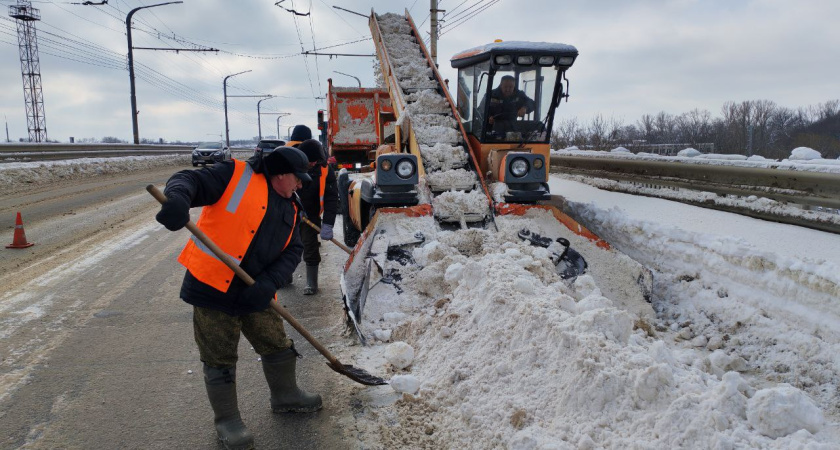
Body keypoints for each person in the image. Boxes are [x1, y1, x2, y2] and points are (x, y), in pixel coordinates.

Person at [154, 146, 322, 450]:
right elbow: (187, 180)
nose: (301, 184)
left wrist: (269, 282)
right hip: (212, 287)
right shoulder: (235, 175)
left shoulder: (291, 204)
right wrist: (177, 199)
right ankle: (227, 422)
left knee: (276, 343)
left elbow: (293, 249)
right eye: (297, 178)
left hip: (256, 290)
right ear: (280, 174)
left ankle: (286, 396)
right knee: (219, 356)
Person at [295, 139, 339, 295]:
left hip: (310, 215)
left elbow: (331, 198)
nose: (313, 164)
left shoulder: (326, 171)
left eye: (315, 161)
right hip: (288, 214)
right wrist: (292, 209)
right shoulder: (290, 166)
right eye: (310, 161)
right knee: (284, 246)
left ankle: (311, 283)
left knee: (310, 246)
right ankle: (284, 277)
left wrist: (328, 224)